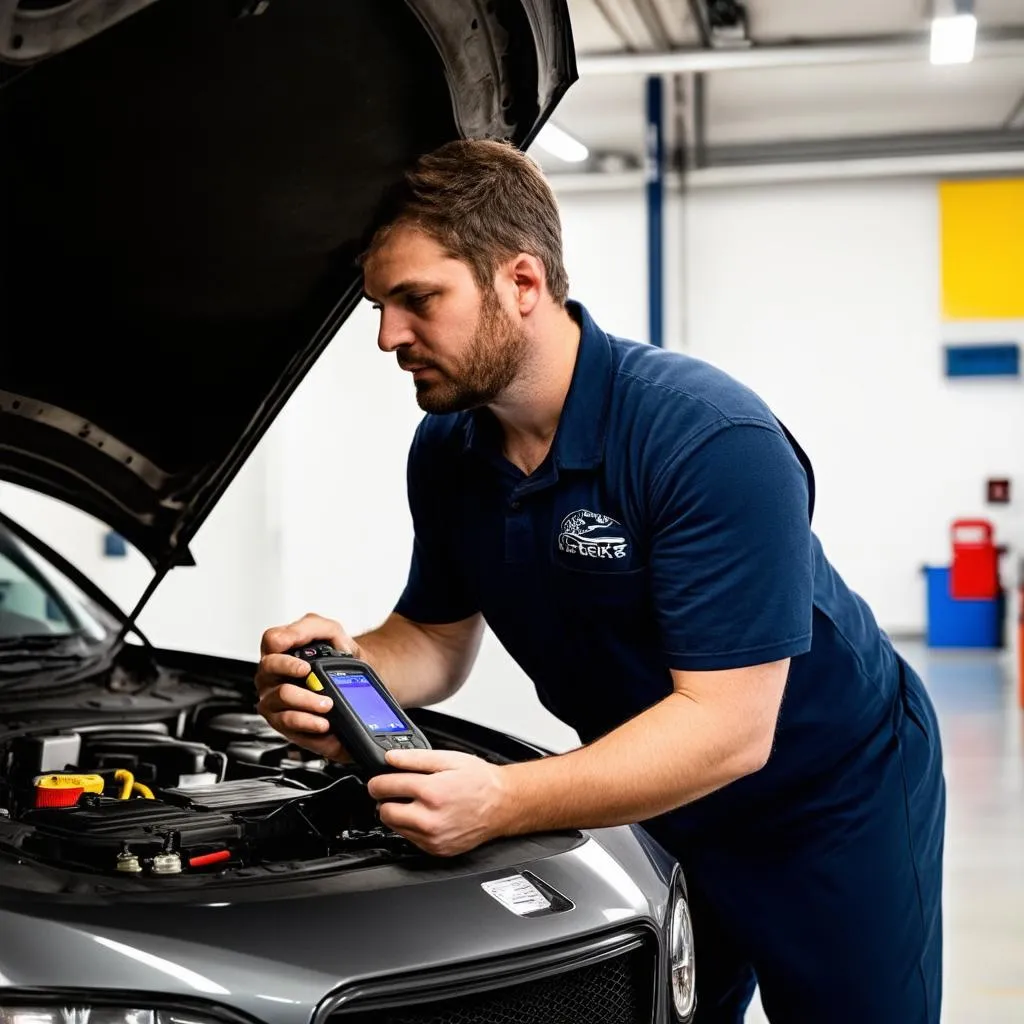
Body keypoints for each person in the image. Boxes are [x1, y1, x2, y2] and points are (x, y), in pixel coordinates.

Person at [254, 139, 945, 1023]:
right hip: (656, 795)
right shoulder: (451, 451)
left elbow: (729, 730)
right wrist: (345, 672)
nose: (389, 336)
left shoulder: (707, 441)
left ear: (523, 283)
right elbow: (432, 638)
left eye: (417, 300)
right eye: (379, 307)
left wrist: (501, 799)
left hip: (827, 798)